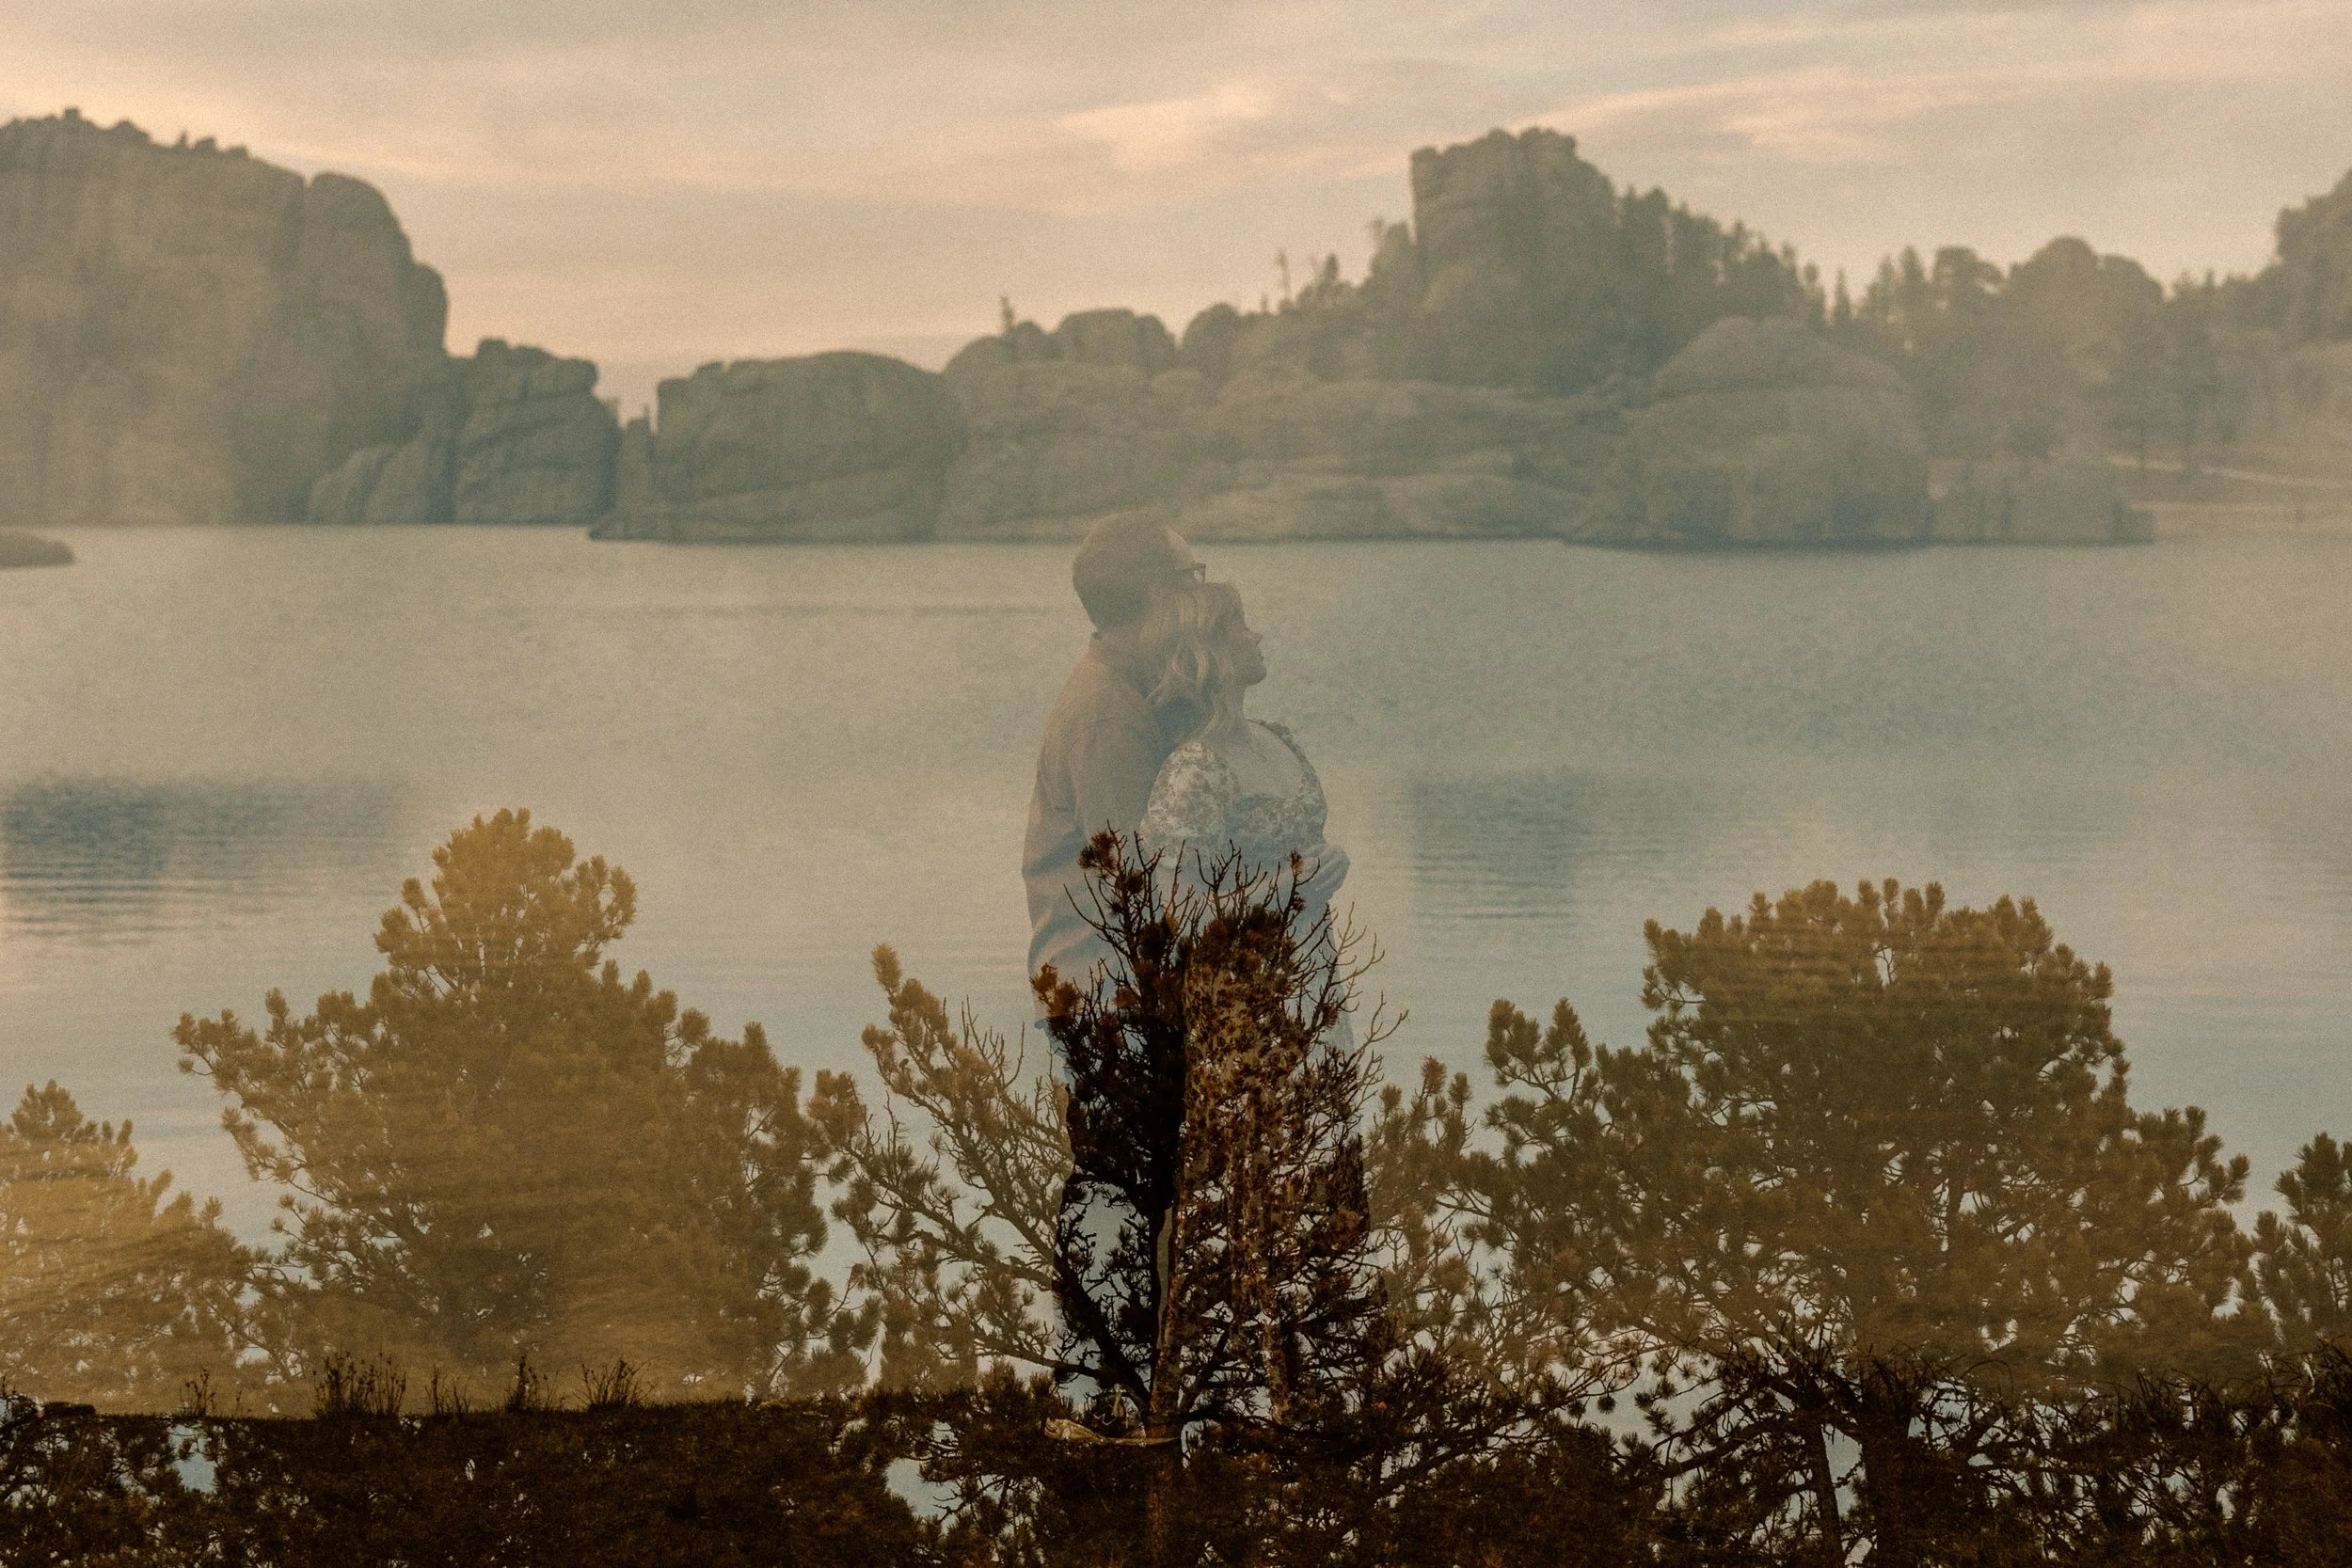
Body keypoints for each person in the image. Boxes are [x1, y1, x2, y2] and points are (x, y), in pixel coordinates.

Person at [1023, 510, 1205, 990]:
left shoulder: (1137, 688)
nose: (1200, 595)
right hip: (1105, 997)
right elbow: (1136, 885)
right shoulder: (1107, 715)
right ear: (1154, 594)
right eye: (1191, 578)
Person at [1136, 579, 1349, 931]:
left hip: (1315, 966)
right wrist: (1286, 887)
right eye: (1242, 626)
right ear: (1207, 648)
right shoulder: (1194, 770)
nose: (1256, 637)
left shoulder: (1277, 738)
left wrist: (1331, 861)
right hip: (1246, 977)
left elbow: (1304, 851)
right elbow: (1176, 912)